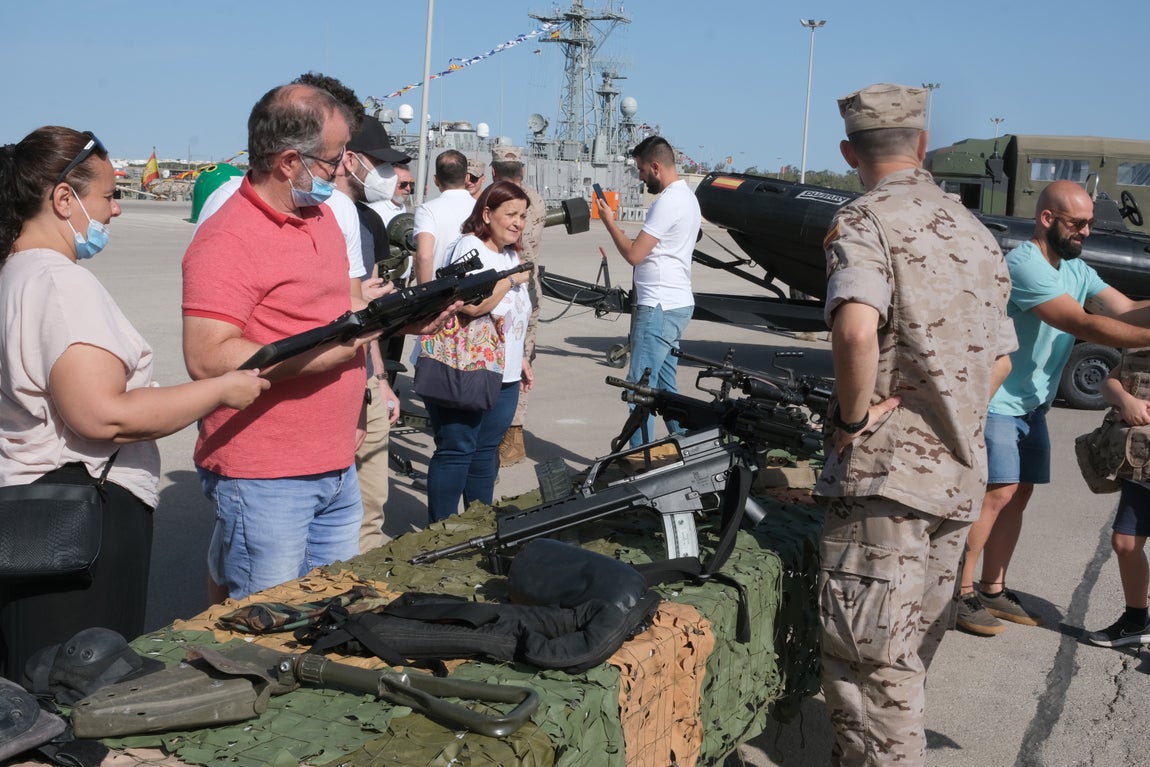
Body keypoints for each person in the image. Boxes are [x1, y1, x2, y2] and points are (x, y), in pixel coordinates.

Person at [0, 126, 267, 678]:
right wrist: (220, 390)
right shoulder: (59, 285)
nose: (116, 209)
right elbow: (103, 415)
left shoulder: (13, 273)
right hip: (76, 519)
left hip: (28, 509)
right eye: (108, 194)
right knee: (81, 683)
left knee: (28, 678)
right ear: (64, 198)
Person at [815, 83, 1016, 765]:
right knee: (908, 658)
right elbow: (1001, 360)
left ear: (850, 153)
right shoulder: (975, 232)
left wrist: (853, 418)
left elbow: (855, 331)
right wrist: (945, 406)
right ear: (924, 145)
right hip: (957, 479)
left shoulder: (865, 220)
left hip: (887, 480)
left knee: (872, 667)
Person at [182, 83, 382, 601]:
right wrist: (332, 354)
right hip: (267, 478)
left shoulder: (321, 217)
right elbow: (208, 357)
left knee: (330, 614)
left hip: (335, 464)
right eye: (334, 160)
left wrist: (406, 317)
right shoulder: (228, 238)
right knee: (265, 627)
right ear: (290, 162)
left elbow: (338, 312)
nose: (342, 170)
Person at [957, 180, 1150, 637]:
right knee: (997, 493)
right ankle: (958, 592)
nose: (1087, 231)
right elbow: (1082, 323)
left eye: (1090, 223)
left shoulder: (1075, 269)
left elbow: (1125, 309)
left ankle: (992, 588)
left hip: (1032, 404)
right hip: (998, 401)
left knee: (1020, 494)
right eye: (1078, 223)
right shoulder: (1025, 264)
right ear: (1047, 219)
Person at [421, 180, 534, 523]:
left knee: (485, 454)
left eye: (523, 216)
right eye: (511, 214)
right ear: (487, 214)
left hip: (504, 373)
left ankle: (477, 527)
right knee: (457, 450)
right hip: (464, 368)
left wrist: (521, 356)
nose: (518, 223)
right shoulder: (469, 247)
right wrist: (509, 280)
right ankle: (441, 531)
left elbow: (513, 314)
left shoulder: (510, 253)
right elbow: (469, 306)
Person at [595, 136, 699, 447]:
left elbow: (634, 254)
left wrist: (609, 222)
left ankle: (641, 460)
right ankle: (687, 449)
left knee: (639, 390)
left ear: (655, 167)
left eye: (641, 170)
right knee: (665, 388)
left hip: (658, 307)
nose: (640, 177)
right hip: (675, 304)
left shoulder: (667, 202)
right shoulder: (687, 197)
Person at [338, 117, 407, 551]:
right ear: (349, 160)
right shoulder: (322, 216)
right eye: (378, 162)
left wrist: (381, 379)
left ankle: (362, 574)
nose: (388, 173)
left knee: (372, 503)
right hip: (329, 376)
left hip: (365, 374)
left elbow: (370, 313)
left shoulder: (370, 222)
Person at [1083, 351, 1150, 647]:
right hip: (1141, 466)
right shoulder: (1141, 345)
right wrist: (1126, 401)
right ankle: (1136, 621)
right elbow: (1110, 382)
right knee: (1125, 543)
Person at [489, 145, 546, 466]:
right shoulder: (535, 200)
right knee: (524, 357)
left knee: (499, 358)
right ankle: (512, 434)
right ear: (522, 170)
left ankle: (507, 437)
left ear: (493, 171)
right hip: (530, 288)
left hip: (501, 286)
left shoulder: (493, 200)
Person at [413, 149, 474, 284]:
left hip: (441, 290)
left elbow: (424, 256)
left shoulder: (427, 210)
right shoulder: (482, 209)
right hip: (476, 287)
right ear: (467, 178)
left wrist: (426, 291)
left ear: (436, 180)